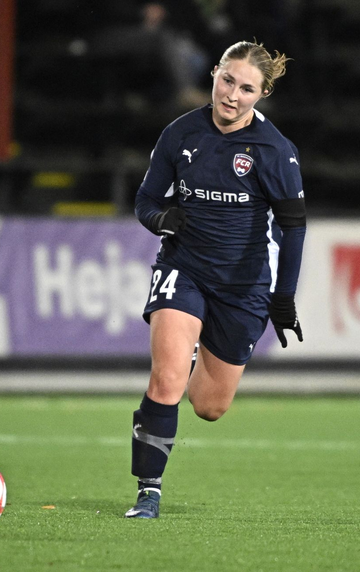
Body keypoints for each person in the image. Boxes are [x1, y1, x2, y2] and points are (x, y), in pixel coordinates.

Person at [126, 40, 305, 518]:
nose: (232, 94)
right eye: (227, 79)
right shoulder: (180, 133)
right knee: (167, 380)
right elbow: (145, 200)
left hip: (243, 287)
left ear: (262, 94)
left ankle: (177, 374)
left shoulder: (275, 152)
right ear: (214, 74)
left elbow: (294, 226)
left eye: (246, 88)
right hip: (183, 268)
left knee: (208, 405)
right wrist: (161, 220)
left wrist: (282, 299)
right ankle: (149, 490)